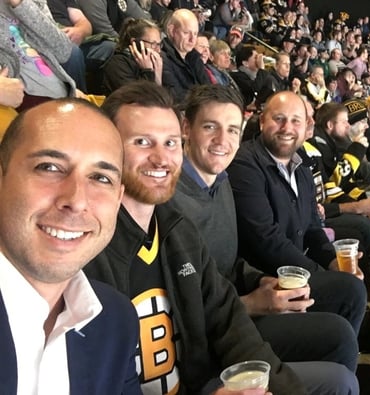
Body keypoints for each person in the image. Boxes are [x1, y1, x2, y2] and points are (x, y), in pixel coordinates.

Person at [84, 81, 344, 395]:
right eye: (142, 142)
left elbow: (228, 320)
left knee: (337, 369)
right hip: (205, 373)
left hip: (203, 373)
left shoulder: (180, 227)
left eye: (169, 143)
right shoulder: (87, 251)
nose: (161, 158)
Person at [172, 84, 360, 393]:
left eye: (232, 130)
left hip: (236, 309)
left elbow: (230, 264)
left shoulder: (221, 179)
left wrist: (261, 281)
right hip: (214, 337)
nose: (223, 141)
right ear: (186, 128)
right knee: (339, 374)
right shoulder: (172, 200)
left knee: (341, 327)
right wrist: (250, 303)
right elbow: (186, 303)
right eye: (210, 127)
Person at [0, 99, 141, 394]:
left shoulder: (116, 320)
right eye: (49, 167)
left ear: (118, 198)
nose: (76, 200)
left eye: (100, 178)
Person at [228, 91, 368, 334]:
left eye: (295, 121)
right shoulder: (245, 163)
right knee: (351, 292)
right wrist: (322, 274)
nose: (287, 128)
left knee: (349, 286)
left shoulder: (301, 167)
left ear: (306, 127)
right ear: (262, 121)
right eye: (279, 119)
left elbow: (313, 227)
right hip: (265, 284)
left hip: (296, 273)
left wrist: (332, 261)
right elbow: (266, 239)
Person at [1, 0, 79, 111]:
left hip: (62, 90)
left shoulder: (34, 2)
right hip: (22, 97)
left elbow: (63, 51)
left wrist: (20, 4)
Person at [102, 18, 163, 94]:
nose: (158, 50)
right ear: (134, 42)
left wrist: (158, 78)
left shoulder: (156, 64)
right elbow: (139, 100)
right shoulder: (118, 64)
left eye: (159, 44)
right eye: (153, 44)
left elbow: (163, 100)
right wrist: (147, 71)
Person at [161, 8, 210, 102]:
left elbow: (209, 88)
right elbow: (176, 97)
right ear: (172, 31)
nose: (192, 39)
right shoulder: (163, 58)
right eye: (186, 33)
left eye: (195, 34)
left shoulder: (195, 57)